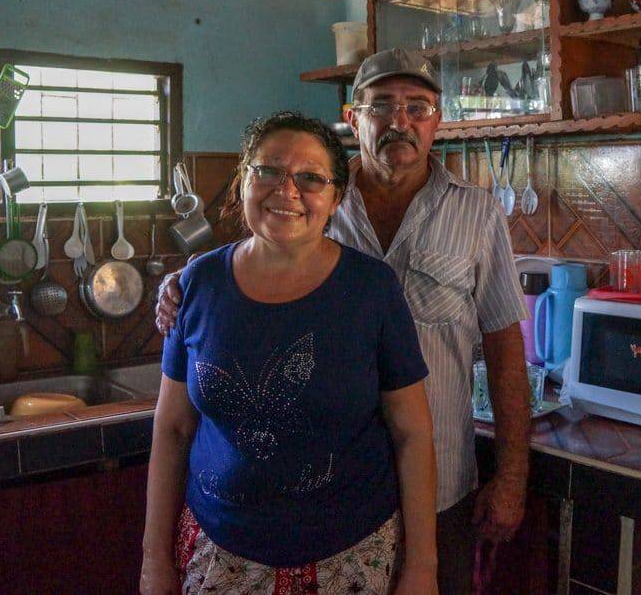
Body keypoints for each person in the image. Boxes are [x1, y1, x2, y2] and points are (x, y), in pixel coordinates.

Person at [157, 49, 531, 594]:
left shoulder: (477, 213)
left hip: (441, 486)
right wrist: (183, 282)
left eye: (417, 107)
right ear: (353, 119)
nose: (399, 121)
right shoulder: (314, 193)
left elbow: (505, 351)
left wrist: (512, 476)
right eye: (381, 106)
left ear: (437, 121)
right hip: (326, 503)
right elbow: (254, 266)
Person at [141, 112, 438, 595]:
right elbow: (172, 428)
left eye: (310, 178)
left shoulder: (372, 290)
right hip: (219, 553)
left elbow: (413, 434)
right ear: (242, 182)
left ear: (336, 198)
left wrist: (422, 569)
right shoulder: (196, 285)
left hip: (351, 556)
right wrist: (153, 561)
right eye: (269, 171)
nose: (288, 190)